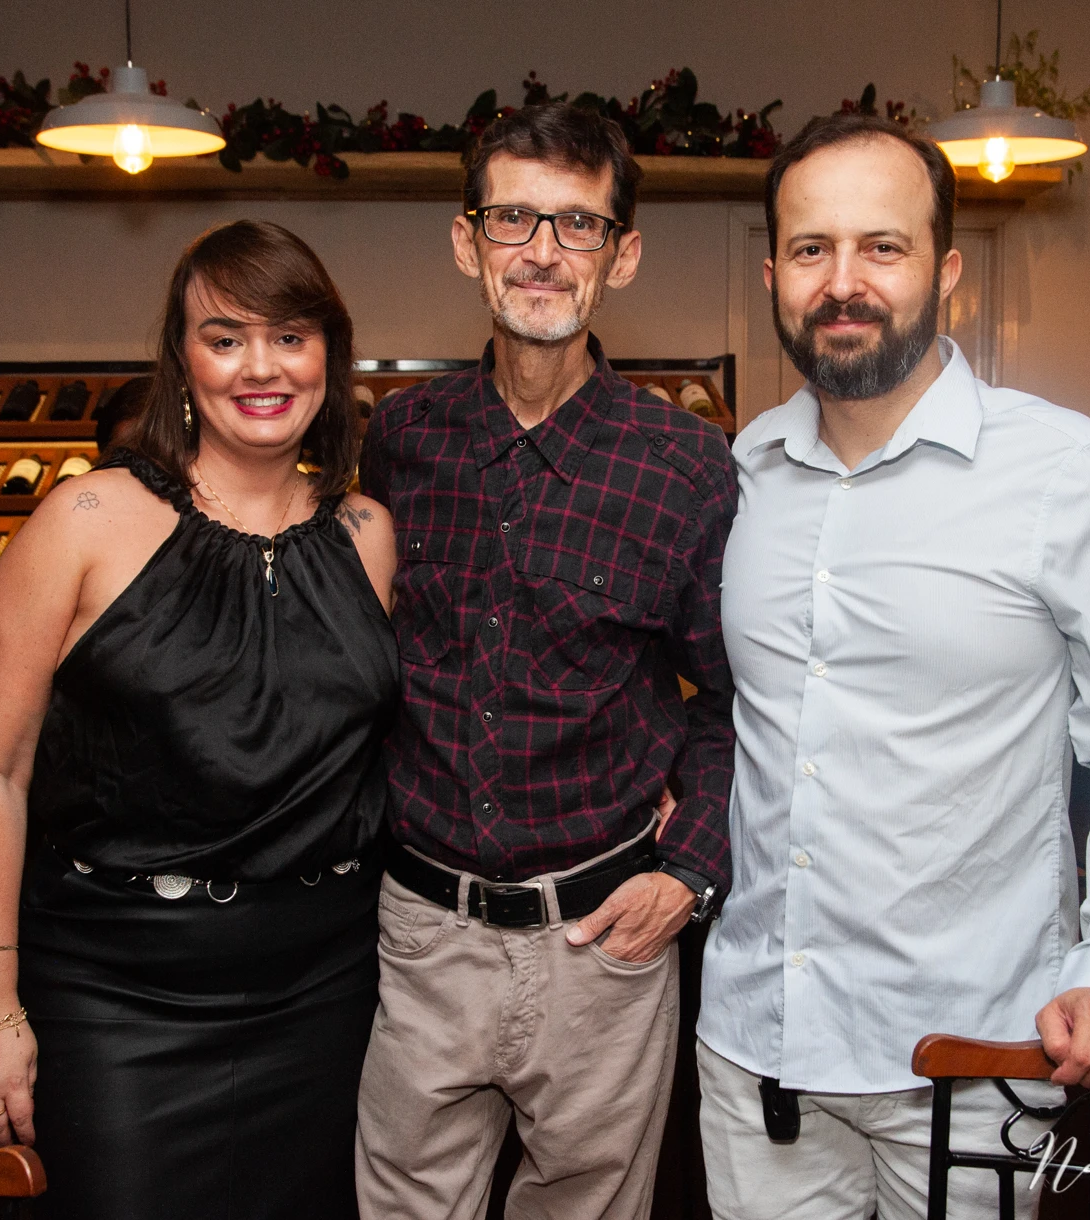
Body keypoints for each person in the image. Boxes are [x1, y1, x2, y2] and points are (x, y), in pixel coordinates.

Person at [696, 112, 1090, 1220]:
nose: (844, 282)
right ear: (774, 274)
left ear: (947, 271)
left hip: (977, 1058)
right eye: (811, 248)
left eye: (882, 247)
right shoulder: (740, 473)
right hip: (756, 1054)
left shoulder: (1063, 468)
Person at [0, 219, 397, 1219]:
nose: (261, 367)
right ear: (182, 360)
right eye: (225, 337)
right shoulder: (85, 520)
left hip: (326, 990)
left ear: (330, 356)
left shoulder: (367, 535)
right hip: (118, 992)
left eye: (290, 336)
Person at [354, 102, 738, 1220]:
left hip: (603, 942)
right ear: (467, 240)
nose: (541, 251)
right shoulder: (402, 441)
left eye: (578, 225)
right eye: (512, 218)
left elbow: (734, 699)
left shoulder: (686, 466)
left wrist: (690, 870)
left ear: (623, 255)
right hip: (422, 933)